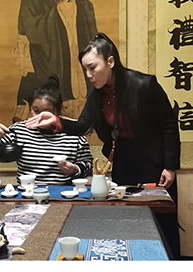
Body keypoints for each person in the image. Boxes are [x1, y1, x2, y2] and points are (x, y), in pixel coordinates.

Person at [26, 33, 181, 191]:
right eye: (85, 69)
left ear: (110, 62)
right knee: (124, 204)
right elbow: (83, 125)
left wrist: (170, 167)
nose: (88, 75)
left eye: (92, 68)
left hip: (154, 159)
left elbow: (169, 126)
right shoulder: (95, 93)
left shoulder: (144, 85)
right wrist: (56, 121)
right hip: (123, 160)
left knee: (156, 204)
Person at [15, 0, 98, 120]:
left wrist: (76, 8)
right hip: (41, 52)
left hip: (65, 49)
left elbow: (83, 3)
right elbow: (31, 27)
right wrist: (58, 12)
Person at [0, 75, 93, 185]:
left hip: (64, 192)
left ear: (58, 110)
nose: (40, 117)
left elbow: (89, 165)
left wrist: (75, 169)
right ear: (30, 108)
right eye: (35, 111)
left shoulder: (73, 132)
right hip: (28, 191)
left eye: (47, 112)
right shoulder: (19, 130)